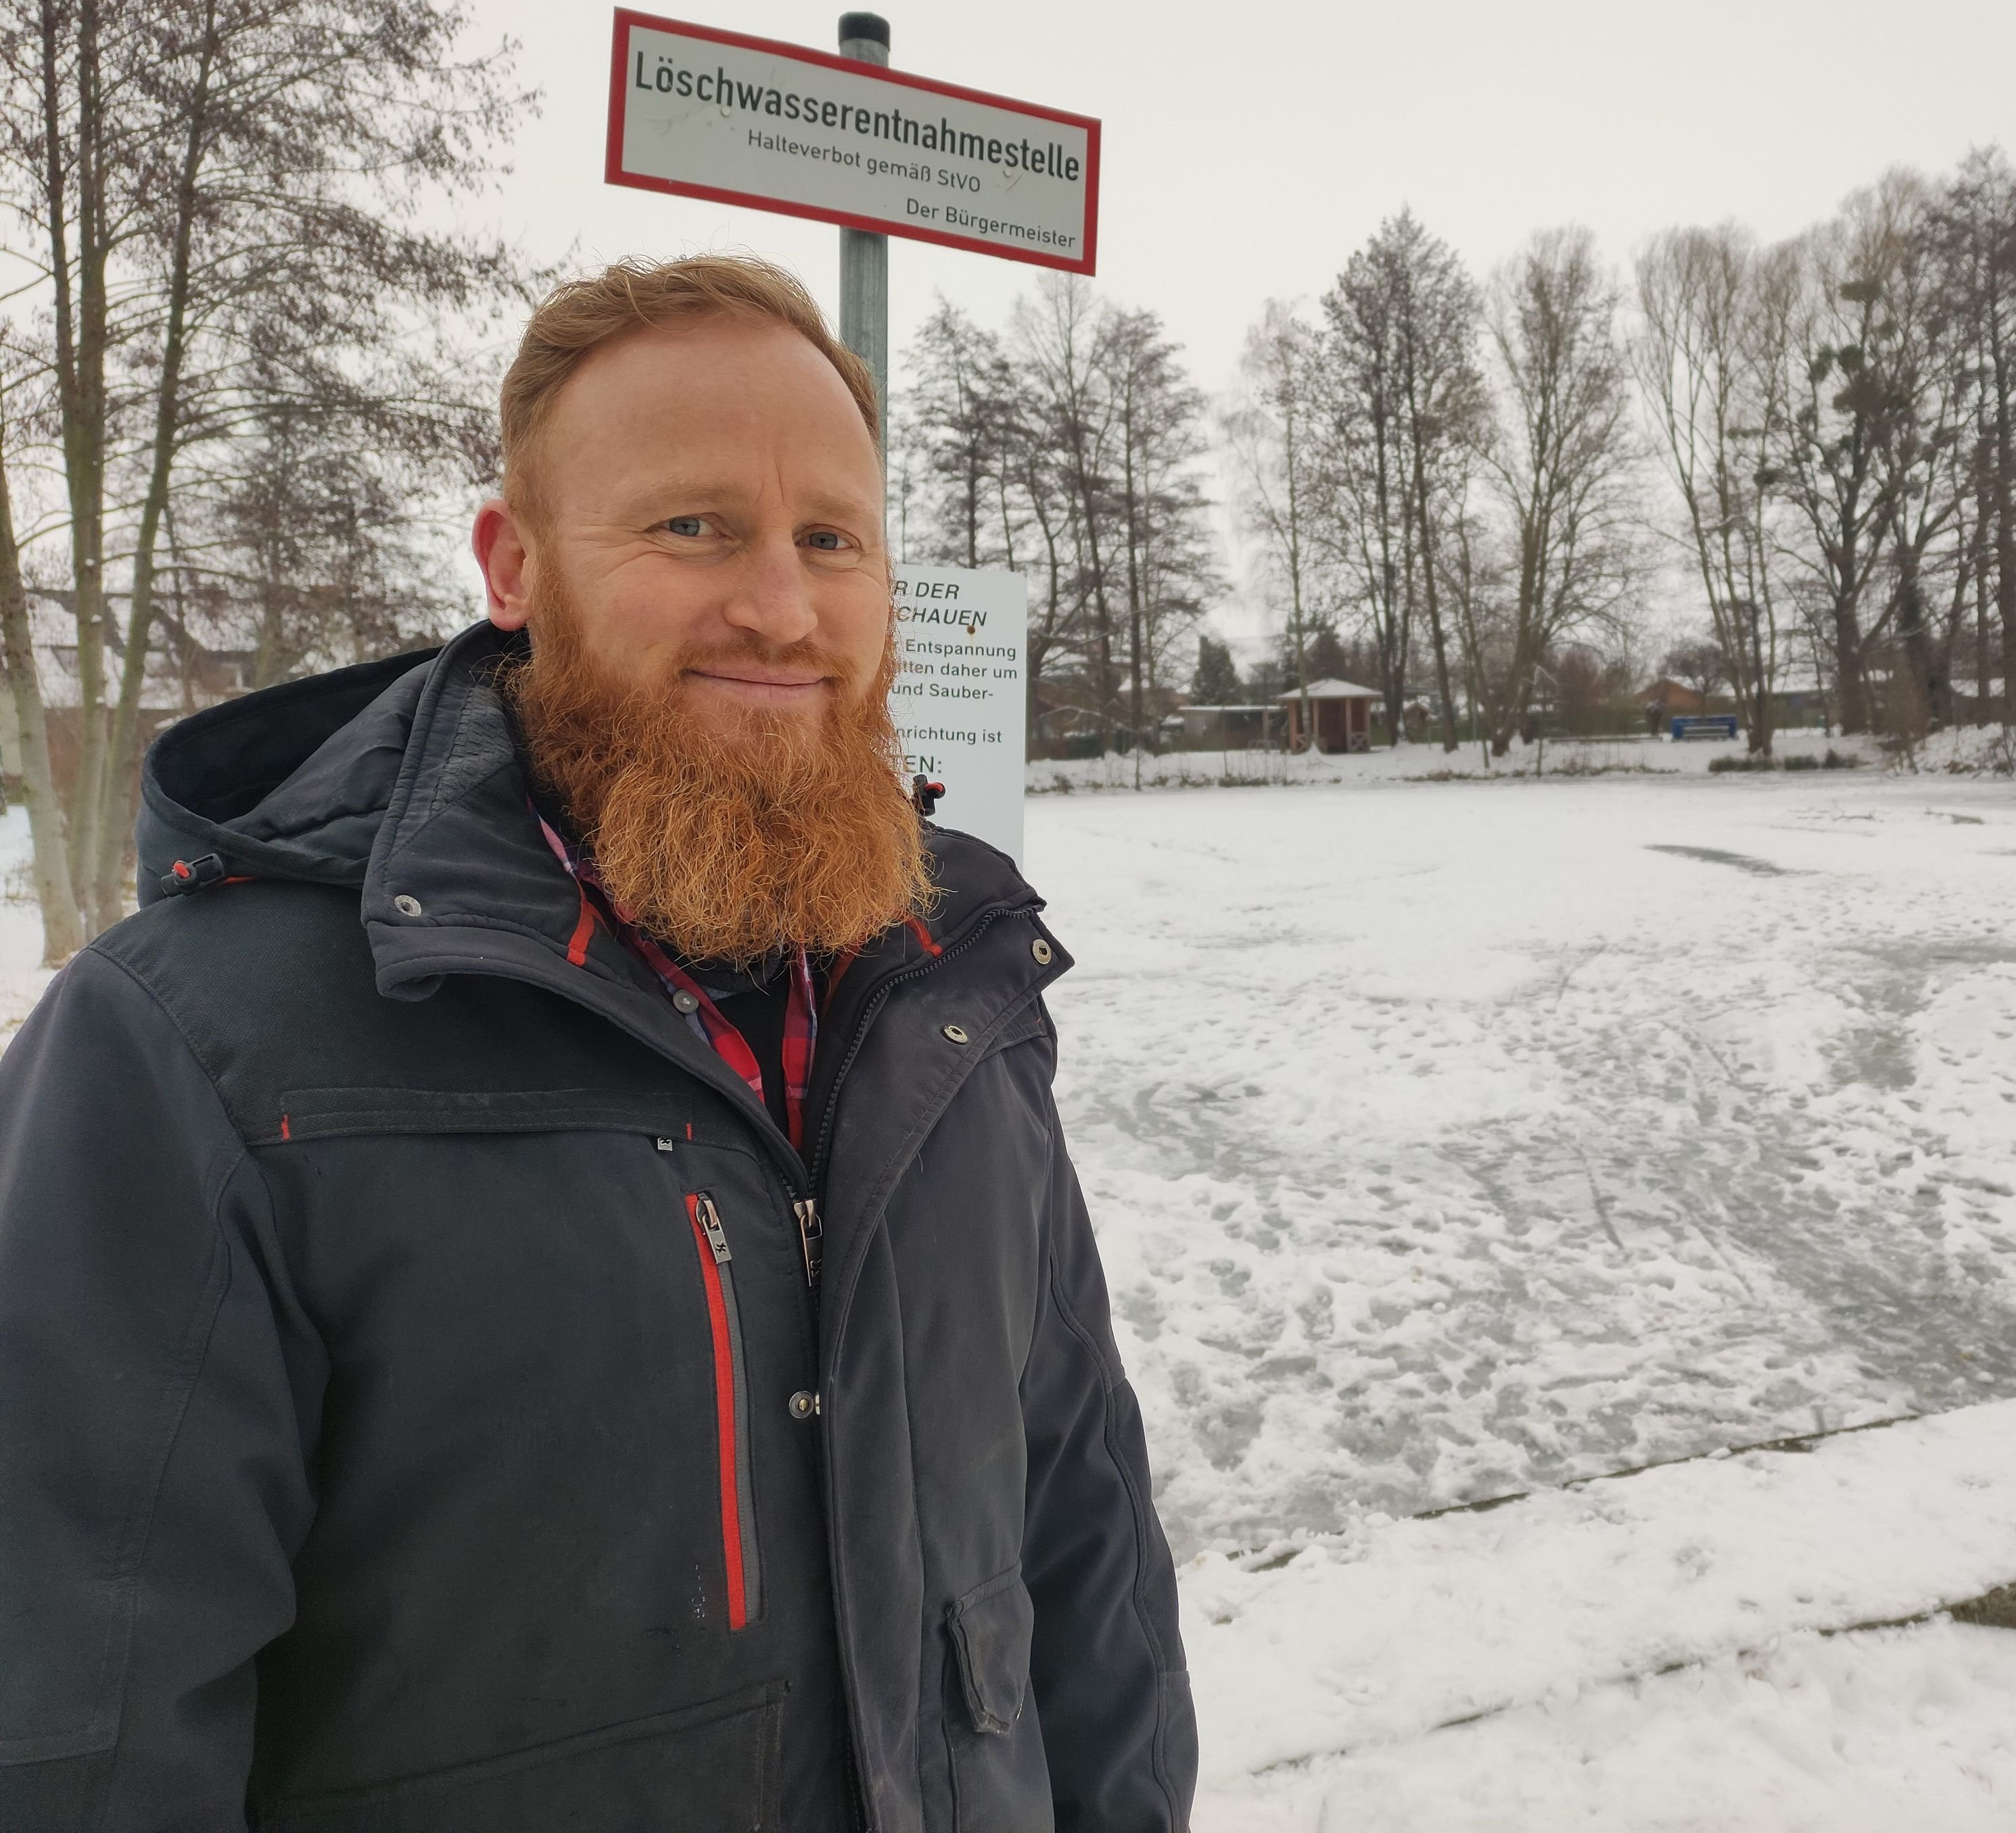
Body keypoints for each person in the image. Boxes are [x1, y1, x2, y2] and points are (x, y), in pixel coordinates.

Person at [0, 256, 1195, 1832]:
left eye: (829, 538)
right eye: (693, 525)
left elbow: (1078, 1532)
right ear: (514, 563)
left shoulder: (948, 995)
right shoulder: (196, 1053)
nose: (779, 603)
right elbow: (73, 1740)